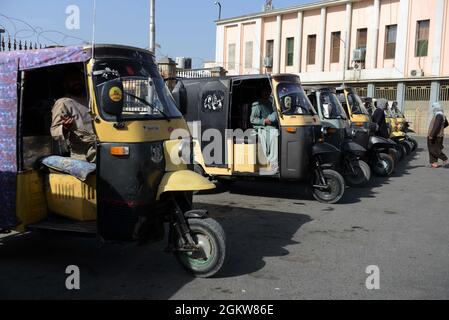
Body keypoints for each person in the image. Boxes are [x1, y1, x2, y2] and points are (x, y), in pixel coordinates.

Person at [50, 67, 96, 162]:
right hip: (82, 156)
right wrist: (65, 128)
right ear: (65, 84)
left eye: (78, 79)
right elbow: (55, 132)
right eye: (72, 80)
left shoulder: (92, 100)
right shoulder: (63, 103)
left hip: (100, 148)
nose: (76, 82)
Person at [250, 86, 279, 174]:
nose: (267, 93)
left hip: (270, 126)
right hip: (261, 127)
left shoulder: (270, 102)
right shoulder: (257, 104)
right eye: (265, 91)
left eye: (269, 91)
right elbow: (252, 119)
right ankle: (272, 162)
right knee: (275, 134)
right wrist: (264, 121)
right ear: (261, 92)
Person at [427, 102, 448, 168]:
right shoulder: (441, 115)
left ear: (436, 108)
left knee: (433, 149)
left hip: (436, 136)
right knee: (433, 149)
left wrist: (431, 135)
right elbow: (446, 124)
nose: (433, 109)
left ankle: (445, 158)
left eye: (433, 107)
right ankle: (434, 163)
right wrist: (441, 128)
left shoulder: (439, 115)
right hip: (437, 135)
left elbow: (436, 126)